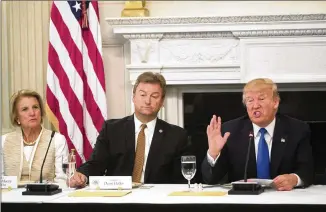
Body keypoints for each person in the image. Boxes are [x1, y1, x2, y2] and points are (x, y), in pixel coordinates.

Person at [69, 72, 190, 188]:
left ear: (162, 101)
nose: (148, 101)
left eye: (154, 96)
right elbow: (96, 164)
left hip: (157, 201)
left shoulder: (177, 136)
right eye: (143, 95)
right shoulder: (112, 129)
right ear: (133, 97)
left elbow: (181, 180)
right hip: (118, 200)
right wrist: (83, 175)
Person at [201, 78, 314, 191]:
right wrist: (213, 154)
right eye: (250, 101)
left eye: (261, 99)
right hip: (244, 200)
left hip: (283, 198)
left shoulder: (297, 129)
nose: (255, 106)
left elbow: (308, 170)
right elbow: (211, 180)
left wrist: (294, 179)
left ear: (275, 102)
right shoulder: (230, 131)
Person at [1, 89, 69, 183]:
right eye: (25, 109)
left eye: (35, 107)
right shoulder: (4, 141)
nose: (32, 113)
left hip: (46, 196)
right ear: (17, 118)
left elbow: (62, 180)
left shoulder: (57, 139)